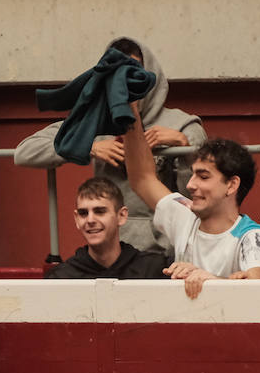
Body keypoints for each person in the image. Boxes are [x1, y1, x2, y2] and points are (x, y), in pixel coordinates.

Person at [15, 36, 205, 257]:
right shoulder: (95, 123)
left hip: (165, 250)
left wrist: (184, 147)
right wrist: (89, 147)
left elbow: (201, 196)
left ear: (150, 75)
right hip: (110, 250)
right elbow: (24, 152)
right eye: (117, 75)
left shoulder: (182, 125)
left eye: (133, 73)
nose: (125, 84)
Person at [122, 110, 260, 299]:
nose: (190, 185)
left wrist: (208, 280)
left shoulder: (253, 237)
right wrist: (129, 109)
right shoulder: (185, 214)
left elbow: (255, 292)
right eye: (193, 174)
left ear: (232, 185)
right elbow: (142, 178)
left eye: (203, 176)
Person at [45, 177, 167, 279]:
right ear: (76, 219)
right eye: (83, 213)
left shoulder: (155, 270)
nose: (90, 220)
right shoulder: (61, 278)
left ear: (122, 216)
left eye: (99, 211)